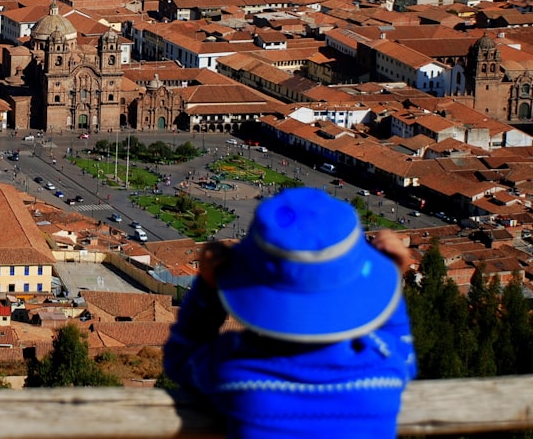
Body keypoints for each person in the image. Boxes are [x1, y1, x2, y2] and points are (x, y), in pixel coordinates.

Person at [164, 187, 416, 439]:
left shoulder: (236, 370)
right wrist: (390, 279)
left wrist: (208, 291)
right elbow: (403, 348)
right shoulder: (384, 370)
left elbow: (181, 355)